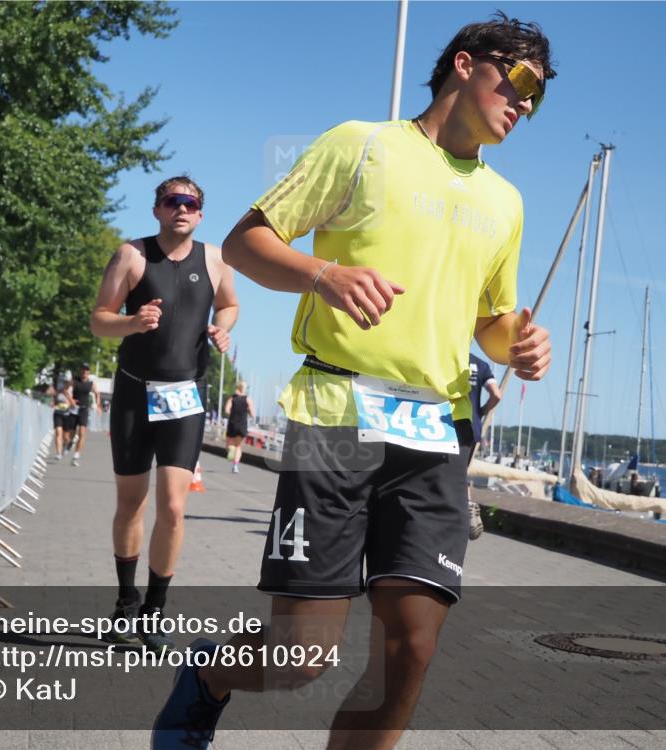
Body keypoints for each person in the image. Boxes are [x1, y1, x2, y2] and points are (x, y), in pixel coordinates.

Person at [152, 12, 554, 749]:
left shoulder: (506, 201)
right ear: (465, 66)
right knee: (302, 657)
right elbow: (245, 242)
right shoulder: (362, 145)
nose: (526, 103)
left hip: (436, 431)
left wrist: (518, 344)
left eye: (540, 95)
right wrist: (323, 274)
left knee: (411, 652)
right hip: (338, 417)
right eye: (520, 80)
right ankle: (210, 676)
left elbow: (491, 321)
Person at [90, 176, 238, 652]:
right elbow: (98, 319)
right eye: (173, 201)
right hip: (135, 393)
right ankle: (124, 603)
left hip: (184, 399)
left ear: (200, 213)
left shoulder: (215, 259)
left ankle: (154, 610)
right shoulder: (131, 255)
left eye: (191, 203)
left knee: (173, 506)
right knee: (131, 503)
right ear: (157, 209)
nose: (182, 209)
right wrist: (132, 323)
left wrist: (222, 326)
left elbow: (231, 303)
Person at [466, 352, 502, 539]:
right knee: (462, 471)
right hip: (472, 426)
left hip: (446, 424)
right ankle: (469, 504)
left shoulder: (446, 353)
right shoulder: (481, 365)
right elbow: (496, 394)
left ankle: (462, 511)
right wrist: (481, 411)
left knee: (447, 474)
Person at [69, 364, 102, 467]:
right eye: (83, 370)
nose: (84, 372)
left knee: (82, 433)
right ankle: (71, 441)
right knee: (71, 434)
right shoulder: (74, 380)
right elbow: (66, 390)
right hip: (74, 409)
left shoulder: (91, 383)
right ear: (81, 371)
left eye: (87, 371)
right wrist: (71, 400)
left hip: (84, 409)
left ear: (89, 373)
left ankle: (76, 456)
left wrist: (98, 405)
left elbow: (97, 393)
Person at [223, 381, 255, 473]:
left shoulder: (232, 399)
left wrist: (234, 412)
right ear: (244, 389)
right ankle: (235, 465)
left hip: (233, 423)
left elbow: (226, 410)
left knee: (229, 444)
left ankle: (231, 450)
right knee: (239, 446)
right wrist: (247, 411)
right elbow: (253, 414)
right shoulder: (248, 400)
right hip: (242, 425)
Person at [51, 380, 75, 461]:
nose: (65, 384)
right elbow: (55, 401)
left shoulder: (72, 391)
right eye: (64, 382)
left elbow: (73, 405)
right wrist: (54, 404)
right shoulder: (59, 391)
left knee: (66, 437)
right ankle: (58, 453)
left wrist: (69, 399)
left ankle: (68, 443)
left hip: (67, 415)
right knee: (58, 432)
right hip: (57, 414)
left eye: (67, 382)